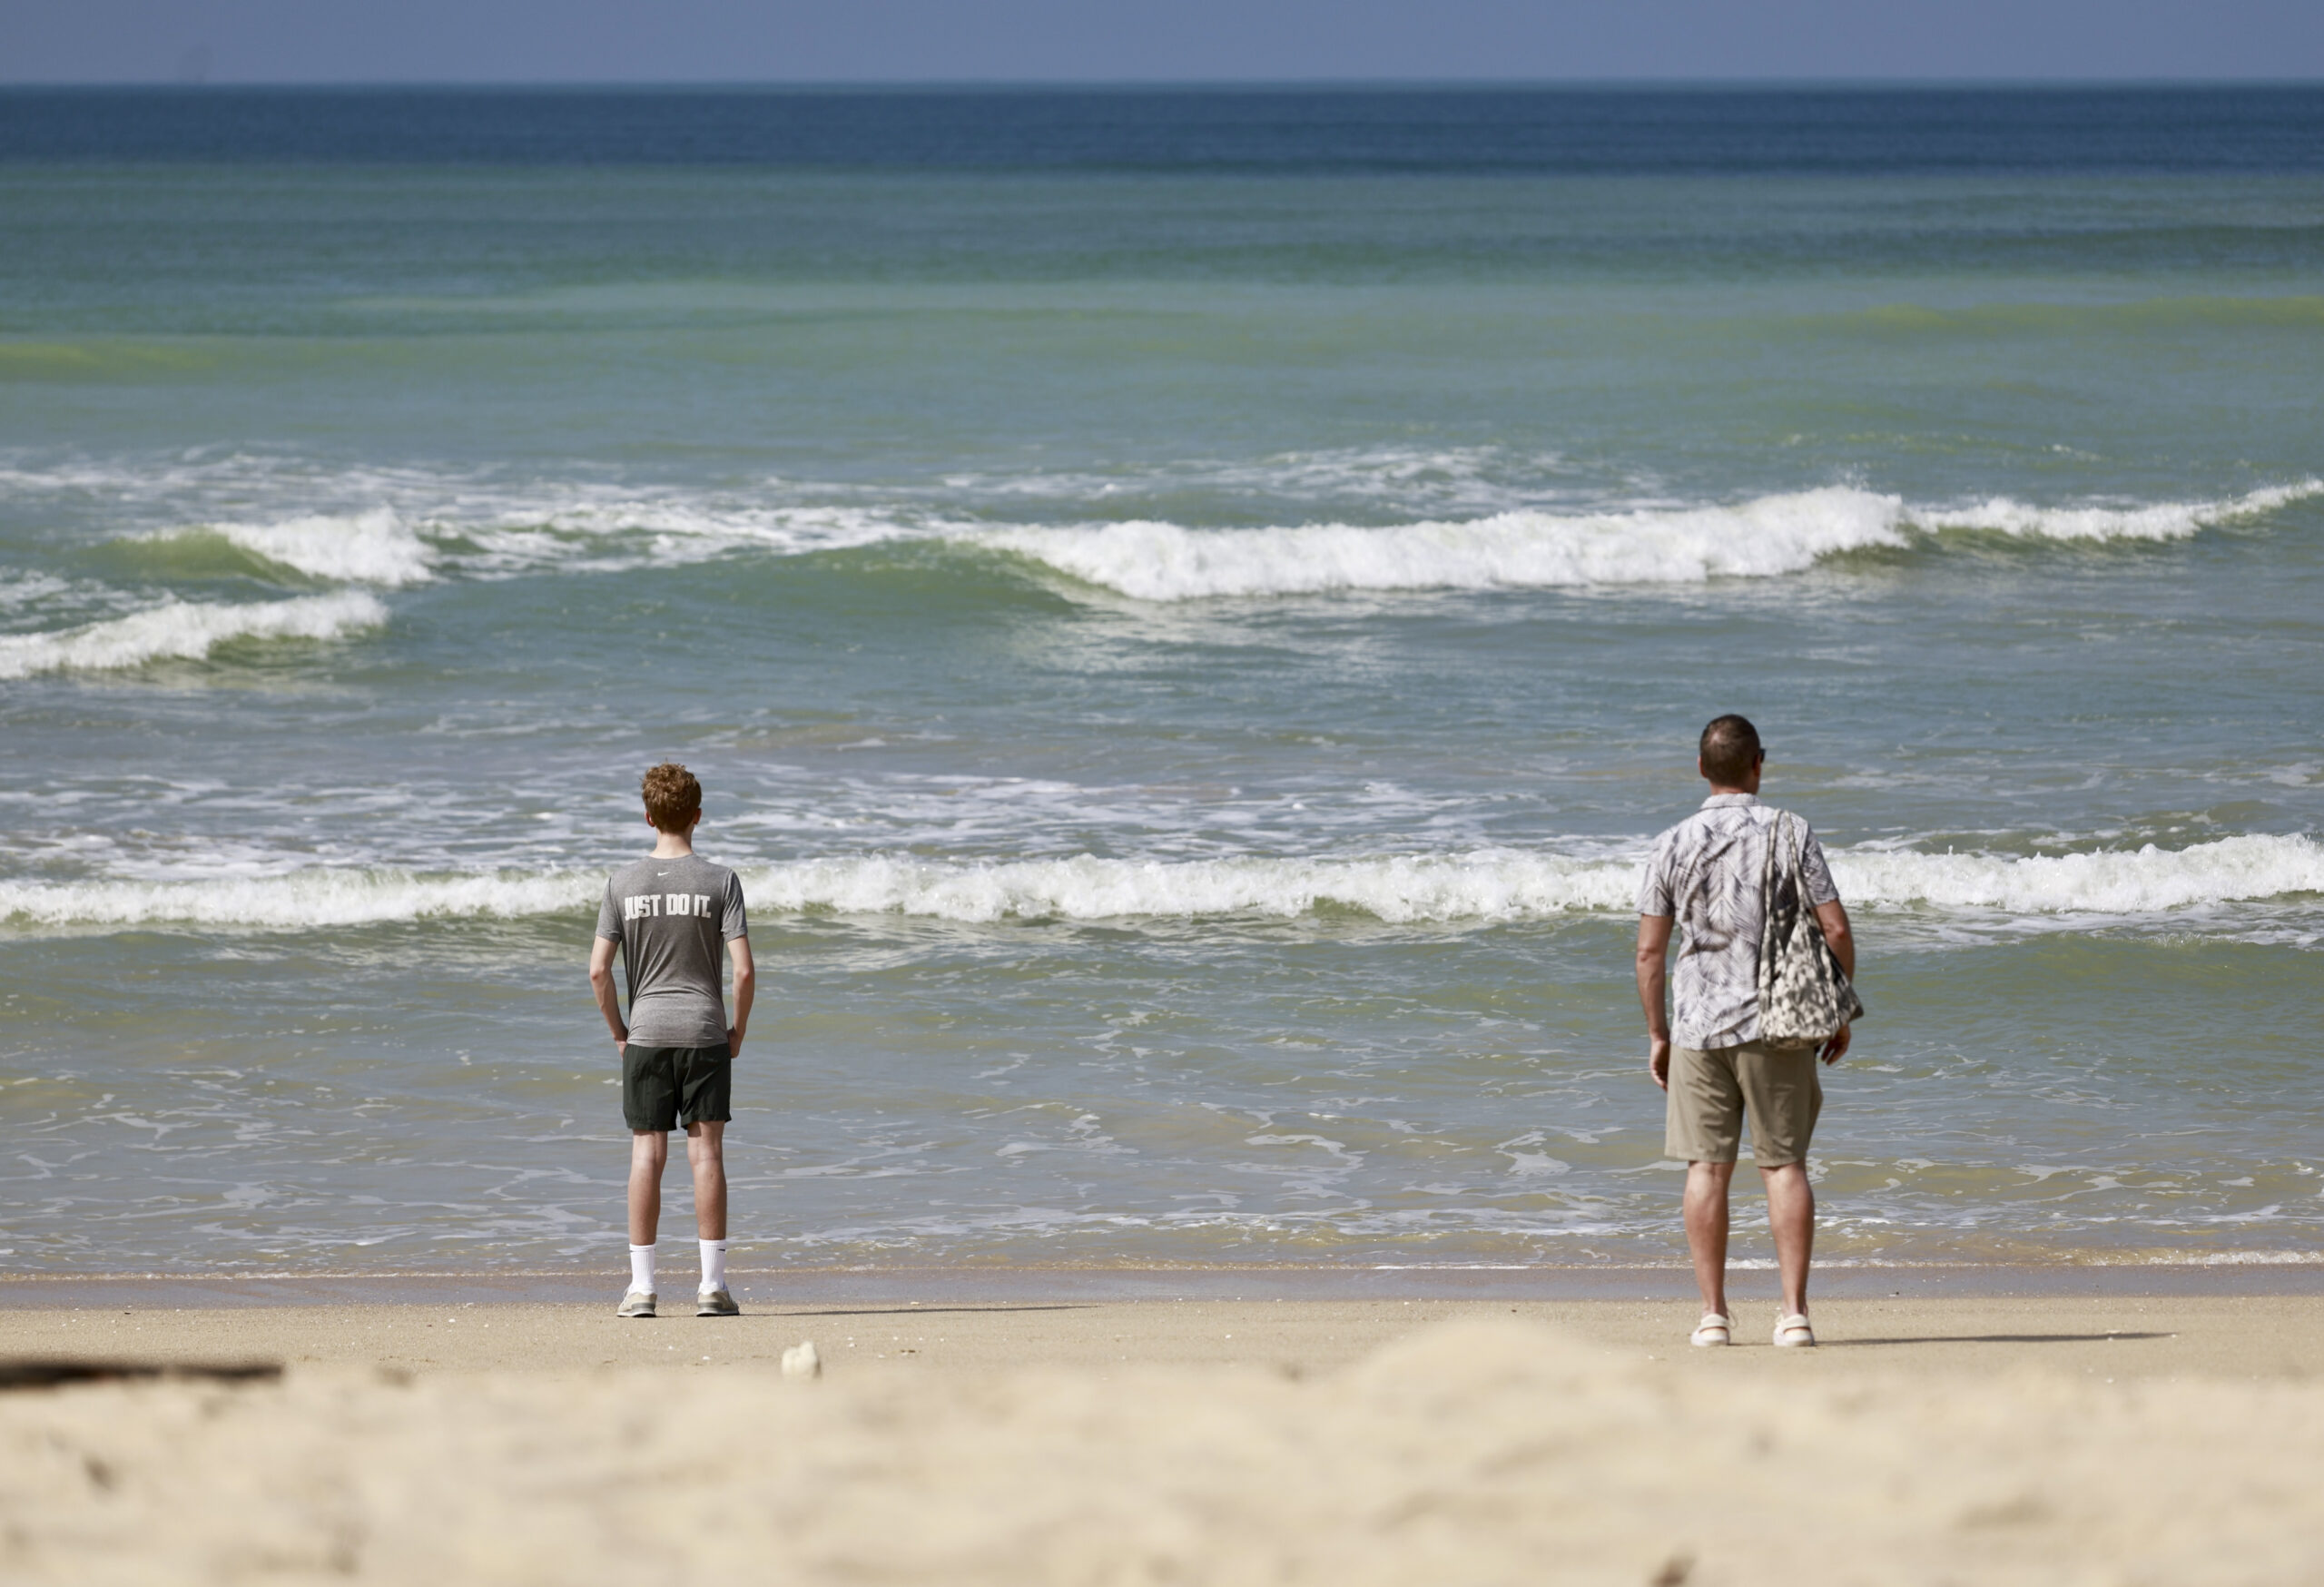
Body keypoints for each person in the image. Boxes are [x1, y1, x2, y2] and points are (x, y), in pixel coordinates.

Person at [1635, 715, 1854, 1348]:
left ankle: (1713, 1316)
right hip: (1779, 1021)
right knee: (1784, 1166)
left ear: (1701, 769)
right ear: (1760, 763)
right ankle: (1793, 1314)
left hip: (1699, 1026)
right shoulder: (1792, 831)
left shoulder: (1671, 841)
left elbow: (1650, 954)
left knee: (1707, 1168)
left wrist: (1658, 1033)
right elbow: (1835, 929)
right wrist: (1836, 1008)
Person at [589, 763, 754, 1319]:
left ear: (648, 816)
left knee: (647, 1155)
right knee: (706, 1154)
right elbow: (746, 973)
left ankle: (642, 1290)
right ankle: (712, 1287)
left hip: (648, 1033)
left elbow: (597, 971)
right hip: (705, 1029)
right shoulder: (721, 881)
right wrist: (738, 1030)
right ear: (698, 816)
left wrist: (620, 1032)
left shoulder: (622, 883)